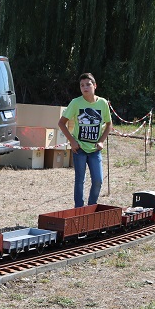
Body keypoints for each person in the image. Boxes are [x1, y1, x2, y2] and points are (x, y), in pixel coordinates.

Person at [58, 73, 113, 208]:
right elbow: (61, 123)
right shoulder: (76, 103)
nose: (85, 87)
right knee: (80, 180)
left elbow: (109, 125)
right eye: (82, 85)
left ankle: (91, 206)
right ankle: (79, 208)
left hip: (95, 150)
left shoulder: (102, 103)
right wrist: (72, 141)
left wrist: (101, 141)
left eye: (88, 84)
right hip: (80, 149)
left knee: (98, 180)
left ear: (95, 86)